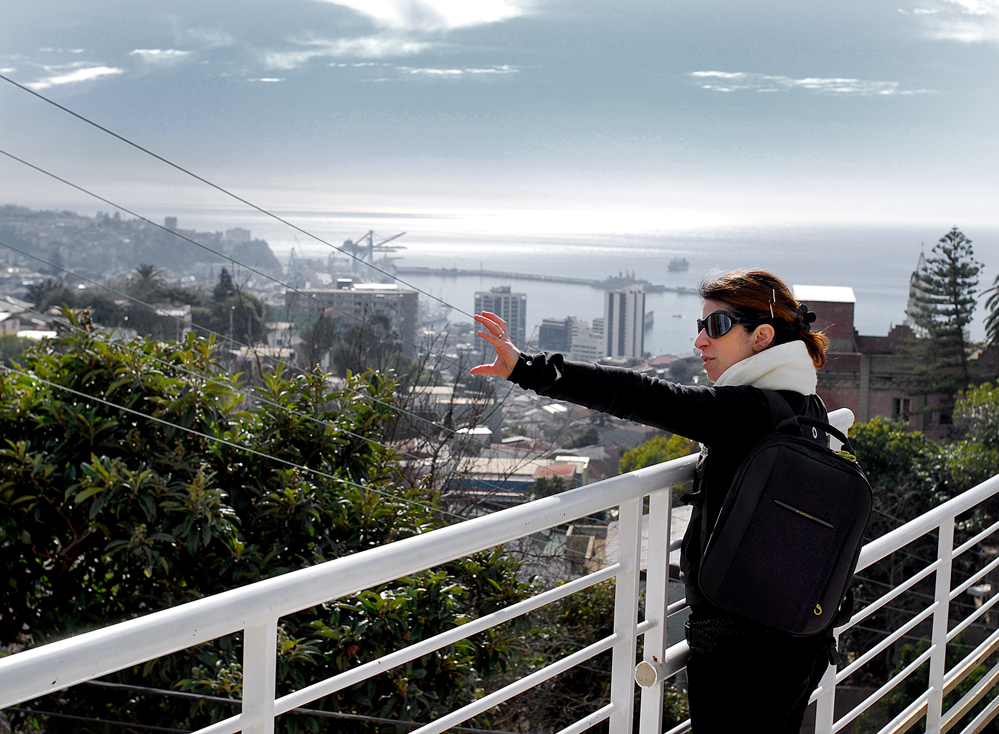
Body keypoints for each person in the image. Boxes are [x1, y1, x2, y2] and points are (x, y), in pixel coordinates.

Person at [471, 269, 833, 732]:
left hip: (743, 649)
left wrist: (527, 369)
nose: (700, 341)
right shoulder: (808, 406)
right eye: (699, 326)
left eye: (716, 326)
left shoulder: (748, 412)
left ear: (761, 337)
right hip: (798, 636)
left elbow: (642, 395)